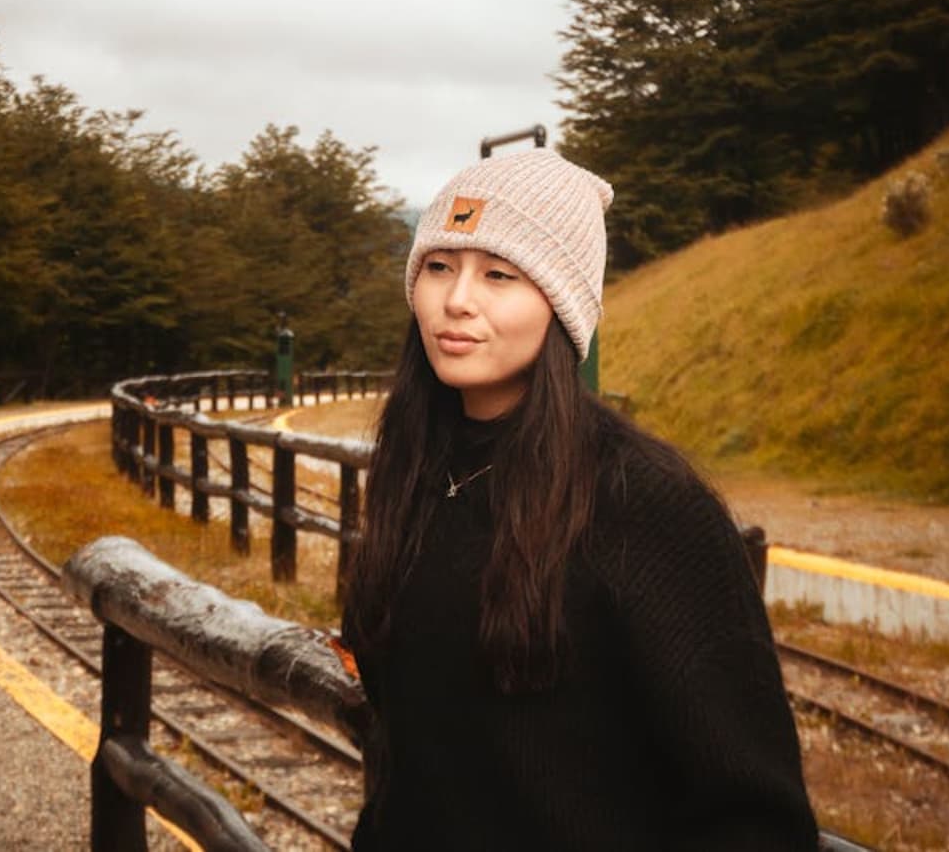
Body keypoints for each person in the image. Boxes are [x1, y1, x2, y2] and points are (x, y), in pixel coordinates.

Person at [341, 148, 817, 849]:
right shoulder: (413, 468)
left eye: (499, 274)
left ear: (561, 303)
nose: (457, 298)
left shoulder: (644, 502)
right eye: (439, 266)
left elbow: (755, 811)